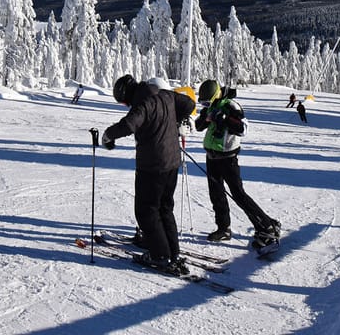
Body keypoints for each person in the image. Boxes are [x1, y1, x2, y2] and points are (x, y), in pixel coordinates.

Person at [101, 74, 196, 274]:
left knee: (146, 211)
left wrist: (108, 134)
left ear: (127, 95)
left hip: (153, 166)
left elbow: (129, 125)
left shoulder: (143, 103)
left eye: (125, 102)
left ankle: (160, 256)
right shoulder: (165, 95)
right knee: (164, 208)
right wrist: (175, 119)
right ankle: (172, 252)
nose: (127, 106)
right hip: (172, 162)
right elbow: (188, 103)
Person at [195, 79, 281, 254]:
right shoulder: (212, 106)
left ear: (216, 95)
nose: (205, 105)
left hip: (228, 158)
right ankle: (223, 228)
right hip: (212, 156)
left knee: (238, 195)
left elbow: (243, 129)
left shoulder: (231, 106)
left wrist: (225, 119)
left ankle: (267, 227)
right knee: (216, 194)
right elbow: (198, 126)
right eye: (203, 103)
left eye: (206, 102)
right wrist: (206, 116)